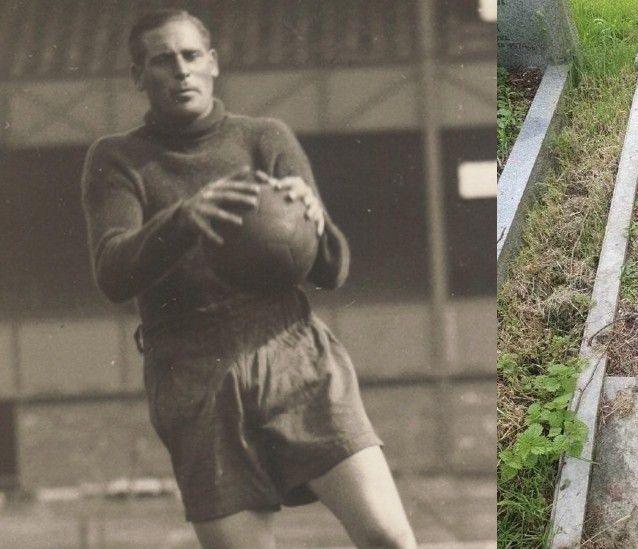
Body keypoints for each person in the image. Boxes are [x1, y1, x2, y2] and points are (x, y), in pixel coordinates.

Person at [80, 9, 416, 548]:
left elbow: (333, 269)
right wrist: (187, 217)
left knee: (388, 537)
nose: (181, 71)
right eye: (162, 61)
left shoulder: (265, 138)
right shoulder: (118, 159)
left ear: (213, 63)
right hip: (191, 367)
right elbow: (112, 272)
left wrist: (315, 222)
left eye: (191, 56)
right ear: (138, 77)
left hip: (291, 351)